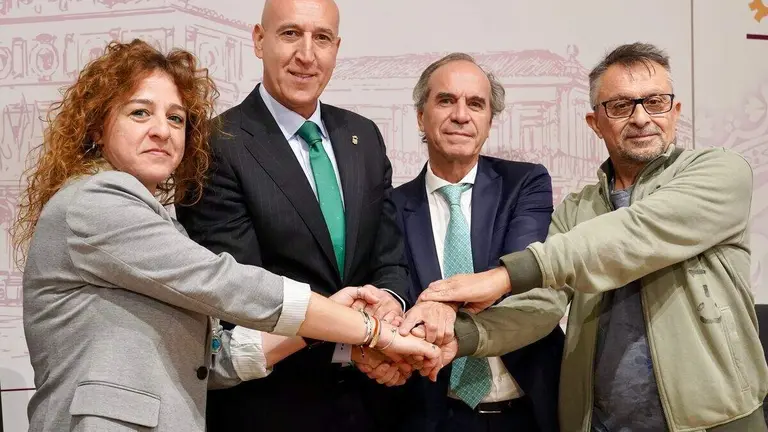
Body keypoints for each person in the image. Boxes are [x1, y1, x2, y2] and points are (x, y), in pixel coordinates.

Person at [14, 39, 438, 432]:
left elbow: (211, 362)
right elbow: (223, 282)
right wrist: (373, 331)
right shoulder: (95, 202)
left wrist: (319, 325)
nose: (162, 130)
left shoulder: (159, 222)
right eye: (140, 112)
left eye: (176, 118)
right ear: (95, 127)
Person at [418, 42, 768, 431]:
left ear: (675, 111)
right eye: (620, 106)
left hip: (716, 423)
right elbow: (540, 307)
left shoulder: (721, 172)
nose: (641, 118)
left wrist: (504, 275)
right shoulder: (577, 209)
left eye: (655, 102)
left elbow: (634, 233)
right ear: (595, 122)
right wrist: (458, 337)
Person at [175, 0, 414, 430]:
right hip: (274, 403)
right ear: (258, 40)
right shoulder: (216, 145)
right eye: (290, 34)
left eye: (322, 38)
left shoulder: (363, 135)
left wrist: (390, 313)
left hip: (374, 399)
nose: (306, 54)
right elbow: (241, 293)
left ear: (336, 48)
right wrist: (361, 334)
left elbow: (390, 256)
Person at [389, 53, 564, 432]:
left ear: (489, 122)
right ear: (420, 116)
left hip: (529, 409)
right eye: (446, 100)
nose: (461, 115)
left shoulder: (526, 183)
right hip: (434, 413)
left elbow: (518, 272)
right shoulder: (391, 207)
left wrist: (441, 304)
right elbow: (396, 295)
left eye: (475, 104)